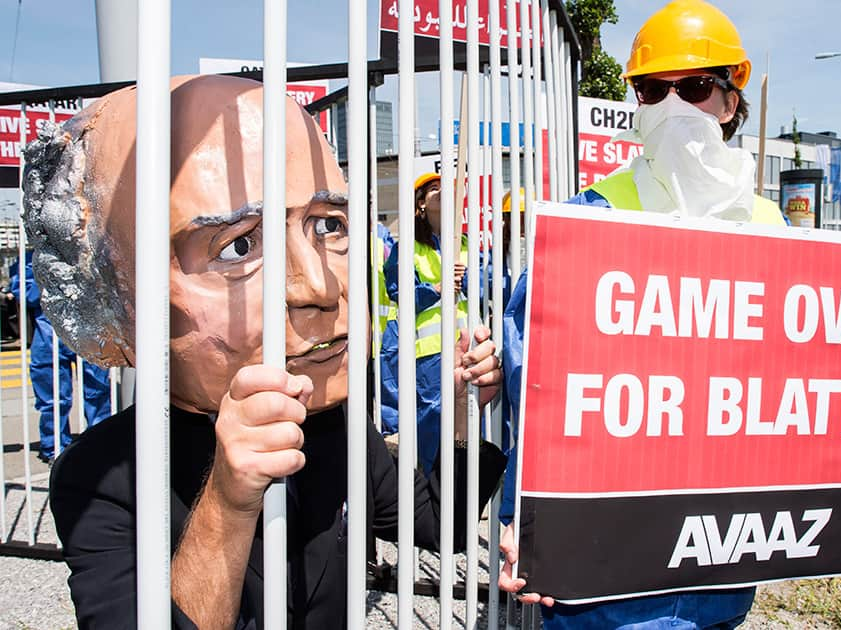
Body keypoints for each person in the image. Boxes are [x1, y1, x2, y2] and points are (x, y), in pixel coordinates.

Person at [498, 1, 841, 628]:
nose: (671, 107)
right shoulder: (590, 219)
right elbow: (532, 387)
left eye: (693, 87)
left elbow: (832, 361)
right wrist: (525, 521)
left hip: (719, 567)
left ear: (730, 100)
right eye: (651, 89)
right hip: (606, 570)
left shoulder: (770, 227)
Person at [24, 74, 505, 628]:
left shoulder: (333, 425)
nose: (318, 288)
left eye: (328, 225)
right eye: (239, 245)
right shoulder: (105, 478)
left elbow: (435, 523)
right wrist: (229, 501)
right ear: (121, 302)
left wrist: (464, 411)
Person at [380, 172, 469, 474]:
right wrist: (438, 289)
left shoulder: (465, 244)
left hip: (466, 347)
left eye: (446, 188)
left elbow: (483, 288)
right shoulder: (408, 247)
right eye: (433, 189)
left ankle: (459, 484)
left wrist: (467, 279)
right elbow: (398, 292)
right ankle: (428, 484)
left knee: (466, 416)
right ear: (420, 204)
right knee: (432, 418)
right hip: (430, 352)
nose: (442, 192)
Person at [8, 249, 111, 463]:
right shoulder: (31, 257)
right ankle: (56, 448)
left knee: (97, 392)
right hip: (49, 335)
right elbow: (23, 290)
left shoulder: (89, 248)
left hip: (88, 331)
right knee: (52, 397)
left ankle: (102, 445)